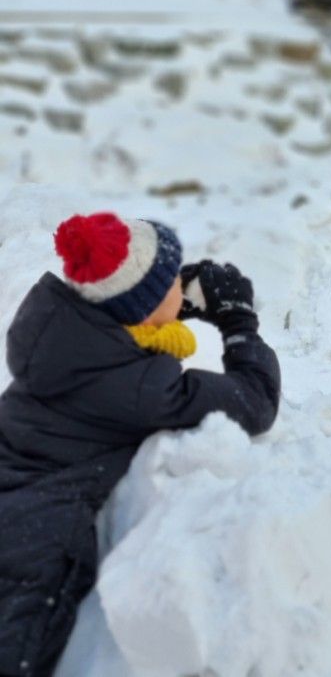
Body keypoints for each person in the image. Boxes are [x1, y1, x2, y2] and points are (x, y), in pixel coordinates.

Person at [0, 212, 280, 677]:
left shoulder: (57, 336)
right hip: (35, 549)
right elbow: (254, 402)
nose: (181, 284)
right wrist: (239, 323)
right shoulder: (140, 389)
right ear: (145, 310)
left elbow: (118, 324)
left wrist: (171, 300)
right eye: (173, 280)